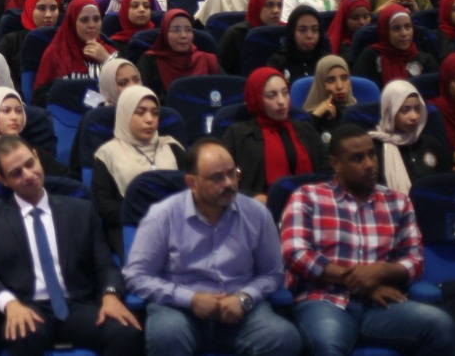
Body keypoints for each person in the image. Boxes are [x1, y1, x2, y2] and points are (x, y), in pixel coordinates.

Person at [282, 125, 455, 356]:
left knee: (440, 324)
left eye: (372, 155)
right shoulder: (307, 197)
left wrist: (380, 272)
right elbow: (295, 254)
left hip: (380, 304)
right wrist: (358, 281)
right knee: (328, 342)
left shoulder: (398, 202)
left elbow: (415, 260)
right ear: (335, 163)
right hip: (324, 301)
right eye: (357, 158)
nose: (369, 164)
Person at [123, 138, 300, 356]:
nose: (229, 183)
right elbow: (136, 276)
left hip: (242, 311)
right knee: (166, 335)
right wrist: (190, 299)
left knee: (285, 338)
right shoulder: (163, 216)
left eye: (233, 173)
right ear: (192, 182)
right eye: (217, 177)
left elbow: (273, 273)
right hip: (180, 311)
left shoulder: (257, 214)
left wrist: (244, 298)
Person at [0, 135, 144, 356]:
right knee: (24, 335)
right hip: (26, 307)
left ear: (37, 156)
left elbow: (105, 265)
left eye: (30, 164)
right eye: (16, 173)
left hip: (77, 305)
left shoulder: (81, 211)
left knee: (126, 331)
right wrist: (9, 304)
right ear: (3, 180)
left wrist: (110, 294)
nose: (28, 175)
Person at [93, 86, 186, 249]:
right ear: (125, 114)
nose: (150, 119)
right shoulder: (107, 154)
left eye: (155, 113)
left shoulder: (172, 147)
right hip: (132, 227)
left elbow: (193, 189)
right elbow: (105, 205)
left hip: (178, 225)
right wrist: (144, 215)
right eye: (140, 112)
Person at [223, 68, 327, 201]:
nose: (282, 101)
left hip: (309, 204)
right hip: (257, 208)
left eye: (285, 93)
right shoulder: (237, 135)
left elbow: (327, 173)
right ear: (257, 99)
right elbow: (222, 181)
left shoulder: (306, 130)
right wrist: (252, 197)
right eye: (272, 95)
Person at [370, 81, 450, 196]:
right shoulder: (374, 148)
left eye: (417, 109)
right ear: (390, 111)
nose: (414, 117)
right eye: (405, 110)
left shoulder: (431, 144)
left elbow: (446, 186)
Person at [136, 10, 220, 99]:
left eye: (188, 30)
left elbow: (225, 91)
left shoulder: (206, 59)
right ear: (165, 33)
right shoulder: (150, 60)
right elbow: (142, 97)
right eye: (176, 30)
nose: (183, 35)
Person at [352, 6, 438, 82]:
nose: (404, 33)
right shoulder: (370, 56)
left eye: (408, 26)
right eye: (396, 29)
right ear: (385, 32)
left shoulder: (426, 60)